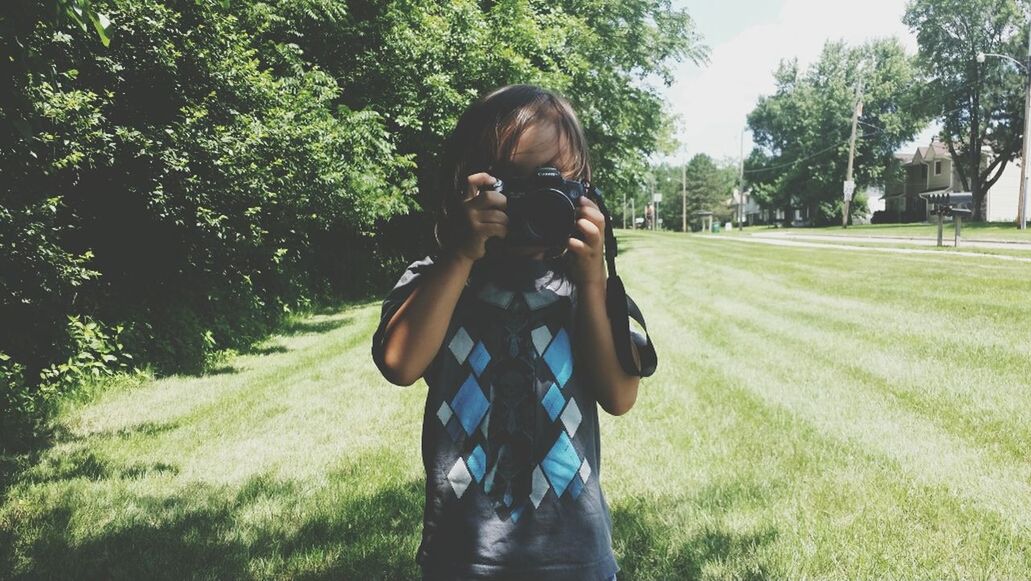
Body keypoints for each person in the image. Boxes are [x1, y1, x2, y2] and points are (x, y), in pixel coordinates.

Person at [371, 84, 649, 581]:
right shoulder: (441, 277)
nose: (532, 203)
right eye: (512, 183)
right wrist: (459, 253)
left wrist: (592, 279)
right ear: (469, 184)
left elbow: (620, 395)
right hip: (461, 560)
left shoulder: (588, 288)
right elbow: (399, 363)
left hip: (576, 560)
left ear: (583, 190)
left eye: (553, 183)